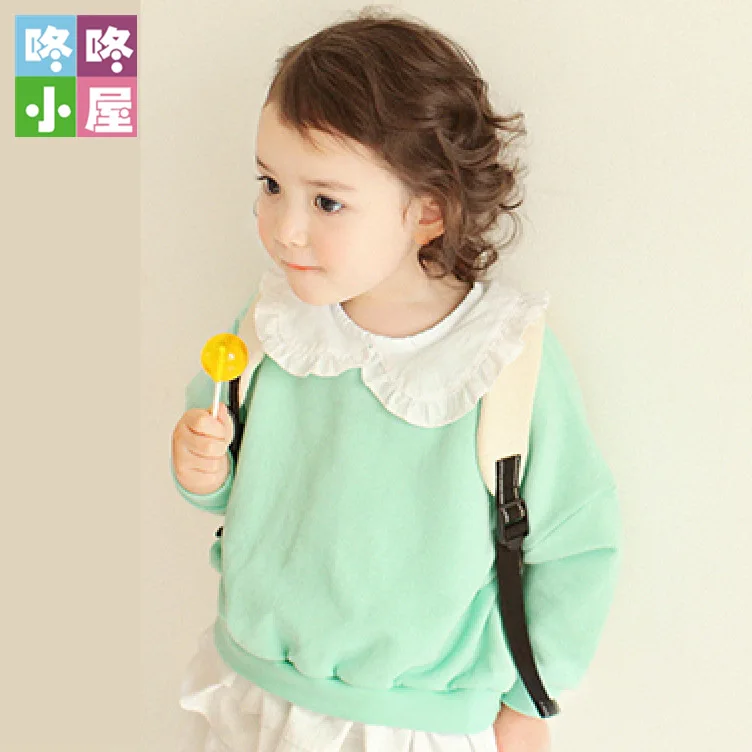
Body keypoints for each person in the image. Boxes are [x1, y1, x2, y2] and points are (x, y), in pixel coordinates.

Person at [170, 8, 621, 752]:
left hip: (410, 726)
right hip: (251, 692)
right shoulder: (272, 322)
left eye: (327, 201)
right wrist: (200, 464)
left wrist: (529, 701)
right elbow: (227, 478)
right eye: (271, 184)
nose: (284, 227)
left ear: (429, 210)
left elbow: (575, 546)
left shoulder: (501, 358)